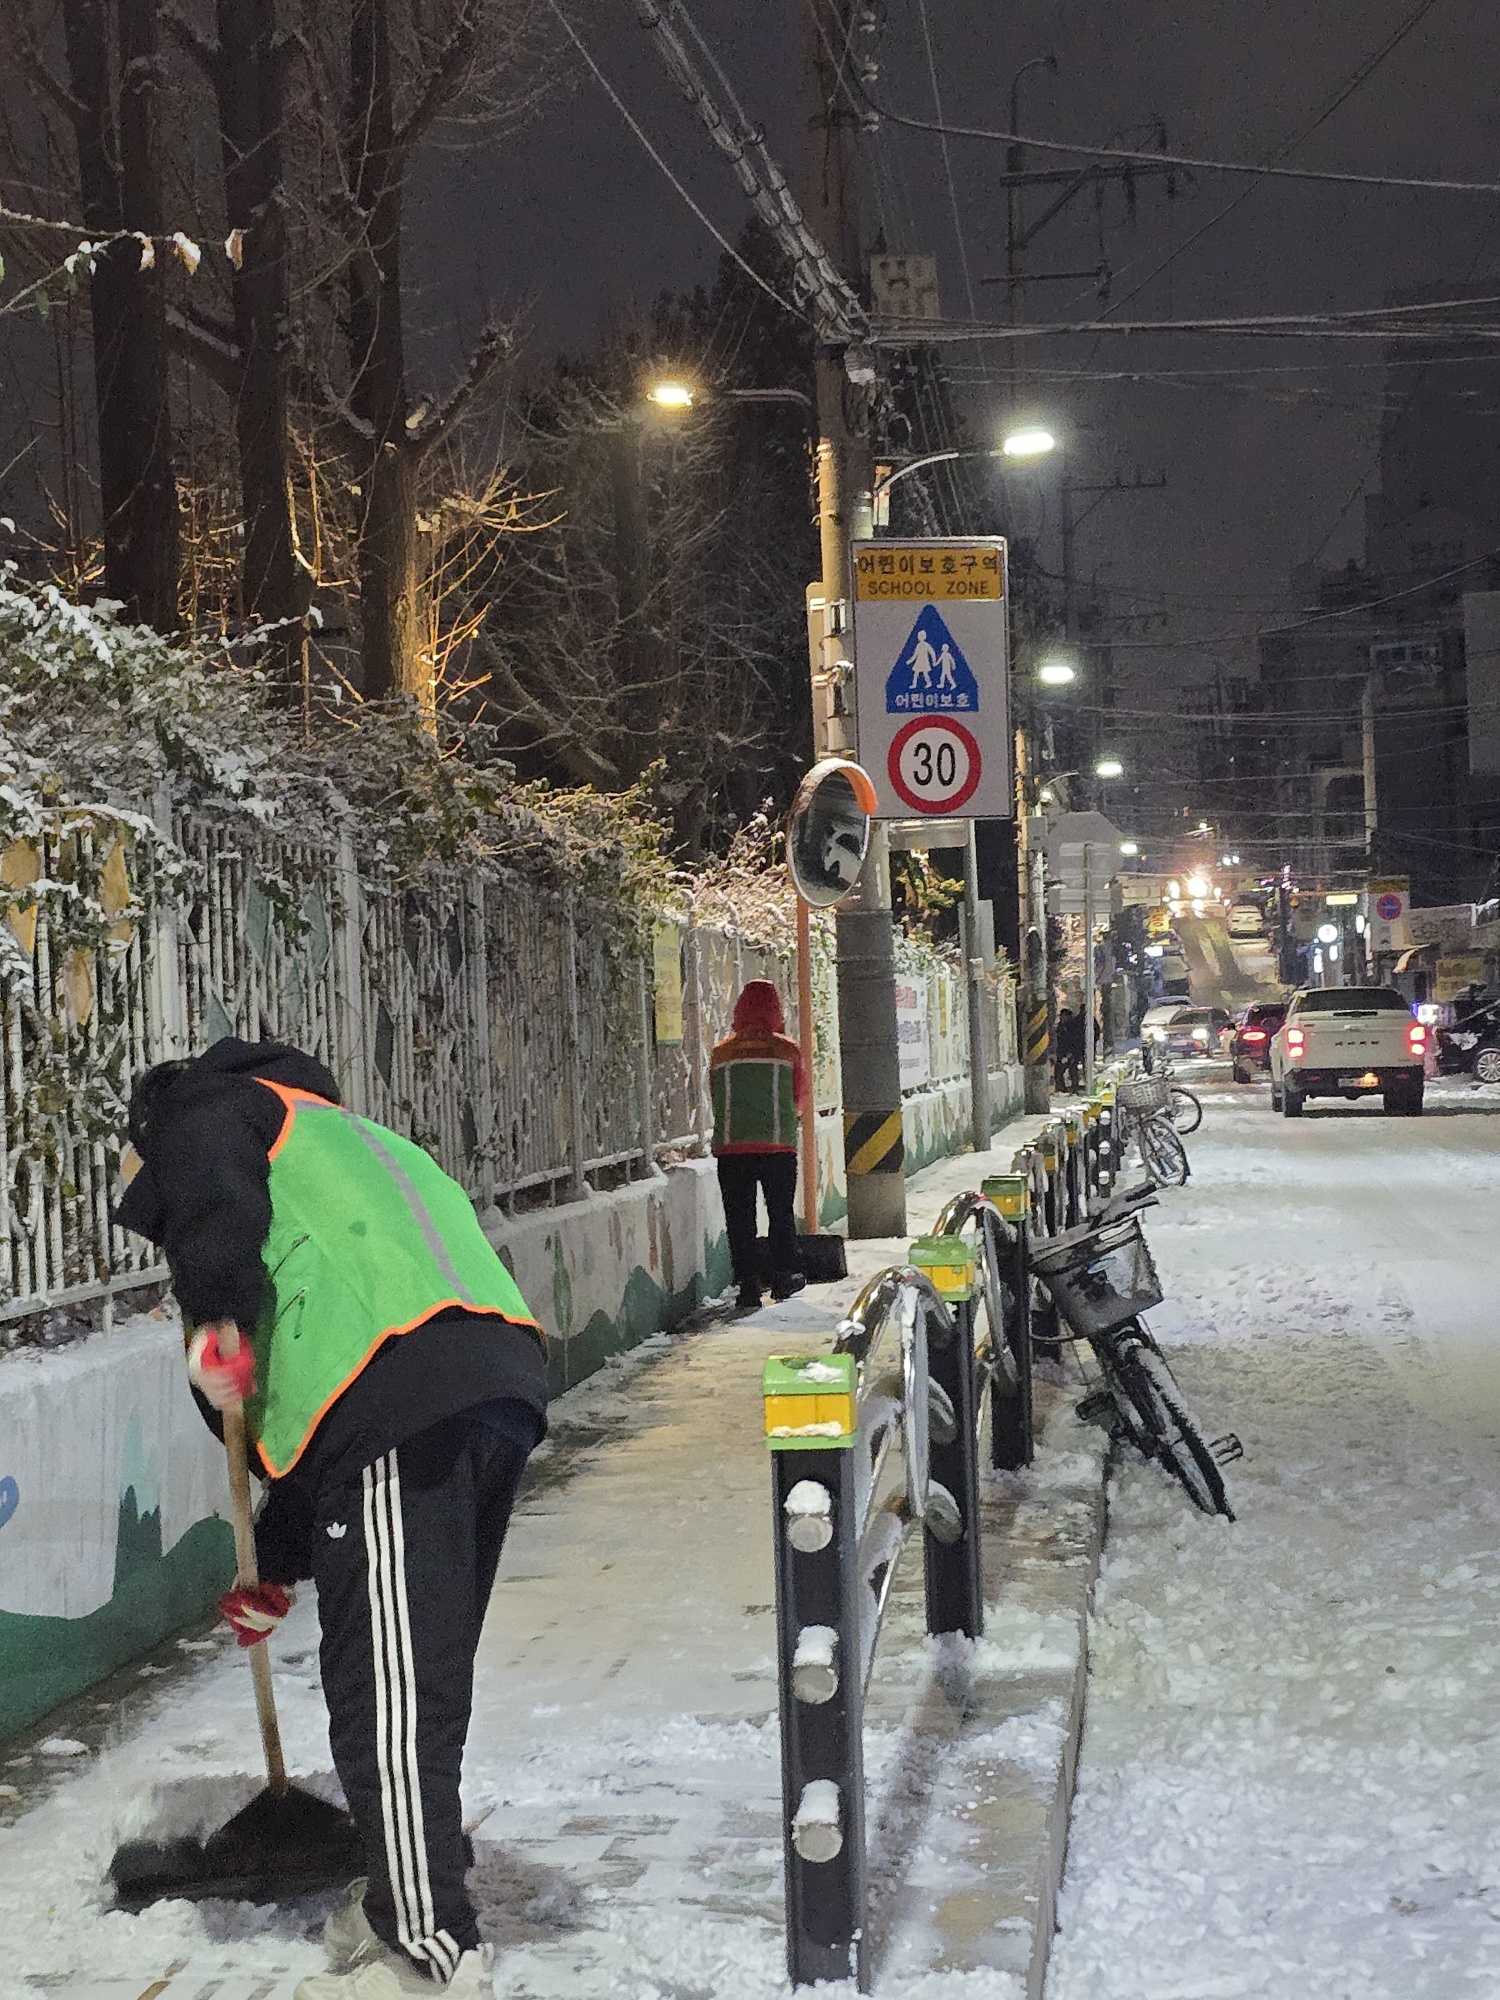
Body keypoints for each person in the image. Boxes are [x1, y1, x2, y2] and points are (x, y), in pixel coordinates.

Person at [116, 1038, 548, 2000]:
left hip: (395, 1393)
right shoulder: (336, 1134)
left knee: (384, 1695)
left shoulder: (205, 1113)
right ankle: (409, 1885)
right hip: (488, 1380)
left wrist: (215, 1310)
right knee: (415, 1671)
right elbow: (331, 1401)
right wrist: (271, 1561)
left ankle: (426, 1944)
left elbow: (217, 1218)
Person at [710, 981, 807, 1312]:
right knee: (779, 1214)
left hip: (732, 1149)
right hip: (778, 1148)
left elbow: (717, 1097)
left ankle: (748, 1286)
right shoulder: (786, 1050)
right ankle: (783, 1278)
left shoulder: (721, 1052)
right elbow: (799, 1099)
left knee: (740, 1220)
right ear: (775, 1010)